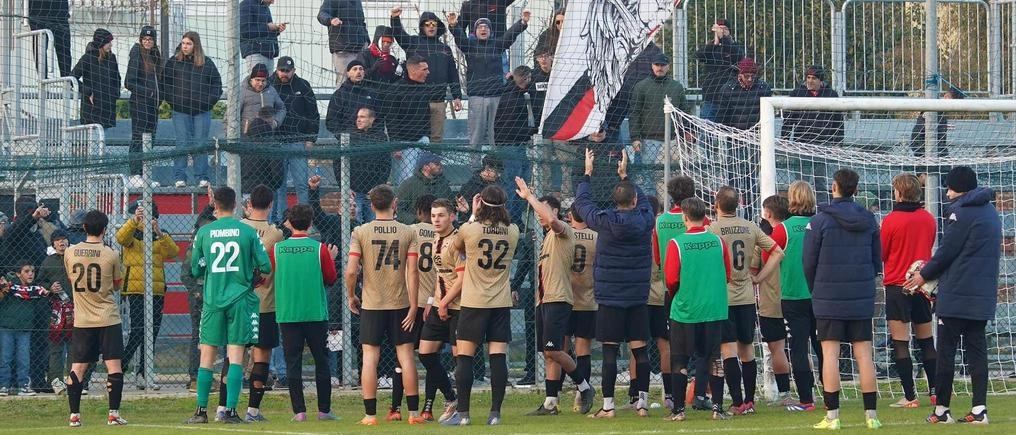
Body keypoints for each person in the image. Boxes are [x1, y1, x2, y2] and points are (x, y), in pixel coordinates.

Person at [907, 166, 1001, 425]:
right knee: (977, 352)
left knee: (946, 353)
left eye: (949, 187)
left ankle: (942, 411)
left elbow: (947, 252)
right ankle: (980, 409)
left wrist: (923, 275)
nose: (946, 192)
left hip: (957, 294)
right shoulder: (992, 213)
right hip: (982, 294)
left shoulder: (959, 213)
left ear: (959, 188)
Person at [572, 149, 655, 418]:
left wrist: (587, 172)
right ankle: (641, 402)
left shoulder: (604, 221)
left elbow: (582, 204)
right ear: (633, 200)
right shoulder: (645, 218)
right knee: (640, 350)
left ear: (614, 200)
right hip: (637, 297)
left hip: (609, 298)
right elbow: (643, 200)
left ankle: (608, 405)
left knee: (609, 352)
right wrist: (625, 174)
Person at [185, 186, 272, 424]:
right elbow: (265, 266)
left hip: (213, 299)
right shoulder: (247, 232)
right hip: (240, 298)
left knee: (207, 356)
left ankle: (201, 411)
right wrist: (250, 272)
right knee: (235, 356)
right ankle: (231, 411)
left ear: (214, 204)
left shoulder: (204, 232)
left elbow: (196, 268)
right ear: (235, 205)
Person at [803, 169, 882, 430]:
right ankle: (872, 416)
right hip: (860, 295)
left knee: (830, 355)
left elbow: (808, 262)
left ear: (834, 187)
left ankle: (833, 417)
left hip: (829, 296)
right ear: (856, 190)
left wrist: (817, 288)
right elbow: (875, 260)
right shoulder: (869, 219)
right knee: (864, 355)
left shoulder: (819, 221)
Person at [515, 178, 596, 416]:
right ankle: (551, 402)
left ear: (557, 211)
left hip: (558, 299)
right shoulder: (545, 238)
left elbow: (550, 219)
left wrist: (530, 197)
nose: (540, 215)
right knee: (548, 352)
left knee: (554, 350)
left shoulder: (562, 230)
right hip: (544, 300)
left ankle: (584, 386)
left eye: (544, 209)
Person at [345, 184, 424, 425]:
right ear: (395, 204)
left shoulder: (360, 231)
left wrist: (351, 295)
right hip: (400, 302)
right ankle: (412, 414)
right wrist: (413, 304)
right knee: (406, 356)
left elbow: (351, 271)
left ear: (371, 205)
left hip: (372, 302)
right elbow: (413, 271)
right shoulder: (408, 231)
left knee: (370, 357)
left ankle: (370, 415)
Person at [441, 186, 520, 426]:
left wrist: (473, 215)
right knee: (497, 358)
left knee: (464, 358)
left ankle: (463, 414)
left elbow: (450, 252)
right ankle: (495, 414)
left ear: (481, 204)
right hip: (500, 302)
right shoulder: (513, 230)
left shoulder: (469, 228)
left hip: (474, 301)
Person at [708, 186, 784, 415]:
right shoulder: (751, 227)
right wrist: (759, 277)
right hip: (747, 299)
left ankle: (737, 402)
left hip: (723, 298)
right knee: (747, 350)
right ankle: (749, 401)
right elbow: (778, 252)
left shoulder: (711, 229)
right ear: (739, 203)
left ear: (716, 204)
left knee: (728, 351)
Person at [662, 197, 732, 422]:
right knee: (714, 358)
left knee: (680, 360)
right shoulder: (718, 242)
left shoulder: (677, 243)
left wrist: (679, 296)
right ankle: (718, 408)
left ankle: (679, 411)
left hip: (686, 310)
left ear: (684, 217)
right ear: (705, 216)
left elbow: (671, 279)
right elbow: (727, 274)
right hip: (714, 309)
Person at [270, 204, 340, 421]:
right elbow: (330, 278)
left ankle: (299, 411)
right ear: (310, 223)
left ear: (290, 223)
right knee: (321, 360)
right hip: (315, 313)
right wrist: (332, 258)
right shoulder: (319, 249)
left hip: (288, 313)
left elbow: (270, 274)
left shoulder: (277, 249)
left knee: (293, 362)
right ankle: (324, 410)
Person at [63, 210, 127, 426]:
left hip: (83, 320)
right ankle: (113, 414)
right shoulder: (111, 254)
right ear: (104, 229)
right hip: (108, 317)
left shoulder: (70, 252)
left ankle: (74, 416)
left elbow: (70, 277)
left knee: (78, 367)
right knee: (113, 365)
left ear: (83, 228)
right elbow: (117, 284)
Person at [879, 173, 938, 409]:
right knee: (926, 340)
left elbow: (882, 253)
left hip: (897, 285)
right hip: (923, 284)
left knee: (900, 342)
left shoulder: (891, 220)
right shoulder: (928, 218)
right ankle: (935, 391)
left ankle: (910, 396)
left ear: (900, 193)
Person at [229, 185, 285, 422]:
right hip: (264, 302)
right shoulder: (276, 234)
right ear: (271, 204)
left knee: (235, 355)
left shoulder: (238, 228)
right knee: (262, 356)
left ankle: (225, 406)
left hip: (237, 300)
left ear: (249, 204)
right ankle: (253, 410)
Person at [117, 201, 179, 391]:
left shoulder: (160, 235)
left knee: (152, 332)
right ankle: (121, 364)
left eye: (148, 215)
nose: (145, 219)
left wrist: (159, 232)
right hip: (135, 289)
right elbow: (121, 238)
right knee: (138, 330)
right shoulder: (131, 233)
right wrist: (134, 221)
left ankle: (144, 373)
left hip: (157, 290)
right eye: (142, 215)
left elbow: (173, 252)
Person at [449, 12, 530, 149]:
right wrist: (454, 25)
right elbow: (460, 38)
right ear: (475, 32)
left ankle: (495, 166)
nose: (483, 29)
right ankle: (475, 169)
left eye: (486, 27)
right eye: (480, 27)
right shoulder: (470, 46)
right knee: (476, 136)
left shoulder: (497, 45)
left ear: (490, 31)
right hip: (476, 97)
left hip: (497, 97)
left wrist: (522, 23)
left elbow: (509, 36)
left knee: (496, 134)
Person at [774, 180, 821, 412]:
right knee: (823, 346)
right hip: (820, 294)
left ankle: (806, 399)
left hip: (793, 295)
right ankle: (831, 393)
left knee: (799, 346)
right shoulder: (820, 223)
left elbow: (769, 256)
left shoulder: (783, 229)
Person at [390, 7, 463, 143]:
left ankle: (434, 164)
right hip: (415, 100)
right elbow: (399, 35)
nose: (431, 27)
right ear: (422, 26)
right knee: (417, 138)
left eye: (434, 24)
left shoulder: (445, 49)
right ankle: (417, 164)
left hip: (438, 101)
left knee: (436, 139)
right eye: (427, 24)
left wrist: (457, 96)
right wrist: (395, 19)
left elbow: (452, 73)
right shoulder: (413, 42)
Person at [418, 198, 461, 422]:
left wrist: (444, 303)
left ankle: (462, 409)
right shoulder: (435, 239)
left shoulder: (458, 241)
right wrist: (432, 300)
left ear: (452, 216)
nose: (436, 220)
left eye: (441, 215)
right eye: (433, 216)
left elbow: (462, 279)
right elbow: (440, 275)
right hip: (437, 305)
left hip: (458, 307)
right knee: (425, 353)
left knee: (459, 358)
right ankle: (451, 397)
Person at [163, 31, 223, 188]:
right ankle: (179, 177)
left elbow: (217, 85)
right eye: (183, 43)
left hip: (201, 111)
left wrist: (208, 103)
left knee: (200, 144)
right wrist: (173, 102)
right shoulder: (173, 62)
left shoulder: (206, 63)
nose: (185, 46)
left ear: (195, 45)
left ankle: (202, 177)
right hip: (180, 111)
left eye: (188, 43)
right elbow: (165, 84)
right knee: (182, 143)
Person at [753, 195, 795, 406]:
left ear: (767, 214)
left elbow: (753, 270)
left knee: (777, 348)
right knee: (797, 346)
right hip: (795, 296)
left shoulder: (764, 241)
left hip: (771, 301)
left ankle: (785, 394)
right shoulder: (794, 235)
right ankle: (809, 390)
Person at [629, 53, 689, 197]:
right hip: (649, 140)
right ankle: (651, 209)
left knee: (673, 177)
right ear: (652, 66)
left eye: (662, 65)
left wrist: (687, 133)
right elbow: (634, 113)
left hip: (673, 140)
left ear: (668, 67)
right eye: (657, 65)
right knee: (648, 177)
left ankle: (671, 207)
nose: (659, 68)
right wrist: (635, 137)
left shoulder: (677, 87)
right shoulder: (641, 87)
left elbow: (684, 113)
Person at [270, 56, 319, 222]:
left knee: (301, 185)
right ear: (277, 70)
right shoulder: (269, 85)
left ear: (294, 71)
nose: (284, 73)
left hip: (298, 141)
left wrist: (311, 138)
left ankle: (304, 220)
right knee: (278, 185)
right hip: (276, 143)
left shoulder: (303, 85)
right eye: (282, 70)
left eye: (287, 71)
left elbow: (313, 113)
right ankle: (281, 221)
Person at [781, 65, 842, 197]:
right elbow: (788, 118)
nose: (810, 81)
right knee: (801, 182)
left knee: (821, 181)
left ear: (821, 80)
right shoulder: (796, 93)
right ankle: (800, 209)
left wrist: (837, 142)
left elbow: (838, 121)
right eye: (808, 77)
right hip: (801, 144)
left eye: (813, 78)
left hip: (823, 145)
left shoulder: (831, 95)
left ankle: (821, 209)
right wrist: (785, 137)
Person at [0, 261, 57, 396]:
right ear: (19, 273)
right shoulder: (9, 286)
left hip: (25, 328)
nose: (31, 274)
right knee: (5, 358)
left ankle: (23, 385)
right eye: (26, 271)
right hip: (7, 327)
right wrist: (3, 289)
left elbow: (47, 294)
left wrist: (51, 291)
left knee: (23, 358)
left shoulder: (36, 289)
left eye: (32, 271)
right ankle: (3, 385)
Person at [377, 55, 434, 184]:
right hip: (404, 143)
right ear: (413, 71)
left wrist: (427, 136)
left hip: (422, 140)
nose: (428, 72)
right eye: (424, 69)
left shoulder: (424, 88)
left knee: (425, 179)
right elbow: (391, 119)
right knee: (405, 180)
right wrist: (396, 144)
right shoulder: (395, 90)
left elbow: (426, 115)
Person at [180, 206, 217, 392]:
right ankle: (195, 376)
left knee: (212, 336)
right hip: (201, 294)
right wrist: (197, 291)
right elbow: (185, 273)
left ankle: (207, 374)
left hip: (216, 292)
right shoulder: (196, 245)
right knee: (199, 335)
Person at [124, 26, 163, 188]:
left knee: (150, 138)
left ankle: (145, 174)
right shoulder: (136, 55)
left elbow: (159, 80)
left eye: (150, 39)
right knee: (138, 137)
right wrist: (148, 92)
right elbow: (129, 82)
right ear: (141, 40)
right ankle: (134, 174)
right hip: (140, 103)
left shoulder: (155, 56)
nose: (147, 42)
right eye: (145, 39)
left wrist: (159, 96)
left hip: (153, 105)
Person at [39, 230, 73, 394]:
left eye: (64, 240)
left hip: (76, 308)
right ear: (53, 244)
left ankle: (75, 380)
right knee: (55, 347)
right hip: (56, 311)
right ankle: (56, 381)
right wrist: (49, 288)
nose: (61, 243)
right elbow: (39, 282)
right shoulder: (48, 262)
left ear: (68, 242)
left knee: (75, 347)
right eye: (58, 240)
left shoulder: (75, 258)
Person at [343, 107, 390, 223]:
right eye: (358, 117)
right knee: (354, 226)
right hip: (354, 191)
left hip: (373, 193)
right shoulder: (349, 137)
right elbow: (337, 163)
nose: (358, 120)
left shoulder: (380, 138)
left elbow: (386, 164)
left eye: (362, 117)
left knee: (373, 226)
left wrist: (378, 186)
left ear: (372, 119)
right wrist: (345, 187)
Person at [71, 28, 121, 129]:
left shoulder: (112, 58)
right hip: (92, 108)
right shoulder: (87, 58)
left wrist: (115, 93)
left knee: (103, 139)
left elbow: (117, 79)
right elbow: (72, 78)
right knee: (92, 139)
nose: (111, 45)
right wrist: (88, 92)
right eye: (108, 42)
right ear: (101, 43)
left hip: (108, 107)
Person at [696, 18, 742, 120]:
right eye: (719, 29)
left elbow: (738, 57)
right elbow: (700, 56)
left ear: (730, 31)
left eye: (724, 29)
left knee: (730, 131)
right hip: (711, 96)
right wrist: (715, 43)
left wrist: (724, 39)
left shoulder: (734, 46)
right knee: (707, 130)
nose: (721, 32)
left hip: (730, 99)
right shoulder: (711, 47)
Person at [317, 0, 370, 85]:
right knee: (343, 82)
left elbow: (361, 22)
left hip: (360, 48)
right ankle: (340, 99)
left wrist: (366, 40)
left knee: (360, 82)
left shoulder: (357, 2)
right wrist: (331, 20)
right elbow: (322, 14)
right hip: (343, 48)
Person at [396, 152, 453, 225]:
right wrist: (416, 221)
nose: (440, 166)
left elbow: (451, 205)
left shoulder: (443, 183)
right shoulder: (409, 184)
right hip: (415, 229)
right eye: (436, 164)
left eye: (440, 163)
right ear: (425, 167)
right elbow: (399, 210)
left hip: (440, 226)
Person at [325, 60, 377, 134]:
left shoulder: (372, 93)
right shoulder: (339, 94)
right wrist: (342, 135)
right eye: (355, 69)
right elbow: (332, 120)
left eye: (361, 69)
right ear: (348, 74)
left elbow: (379, 116)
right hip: (349, 138)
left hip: (370, 138)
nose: (358, 72)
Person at [240, 63, 286, 139]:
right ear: (251, 79)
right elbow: (230, 115)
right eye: (257, 80)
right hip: (246, 138)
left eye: (263, 80)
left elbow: (282, 108)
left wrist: (276, 121)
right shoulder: (242, 92)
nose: (260, 84)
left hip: (268, 137)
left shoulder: (271, 90)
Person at [28, 0, 72, 77]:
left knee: (63, 50)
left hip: (57, 14)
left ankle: (66, 81)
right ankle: (43, 79)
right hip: (39, 14)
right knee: (40, 49)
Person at [239, 0, 284, 72]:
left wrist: (276, 30)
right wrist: (268, 27)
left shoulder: (265, 7)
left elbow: (266, 31)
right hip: (255, 52)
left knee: (267, 82)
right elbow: (245, 32)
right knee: (257, 81)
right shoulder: (246, 5)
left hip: (269, 53)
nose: (273, 2)